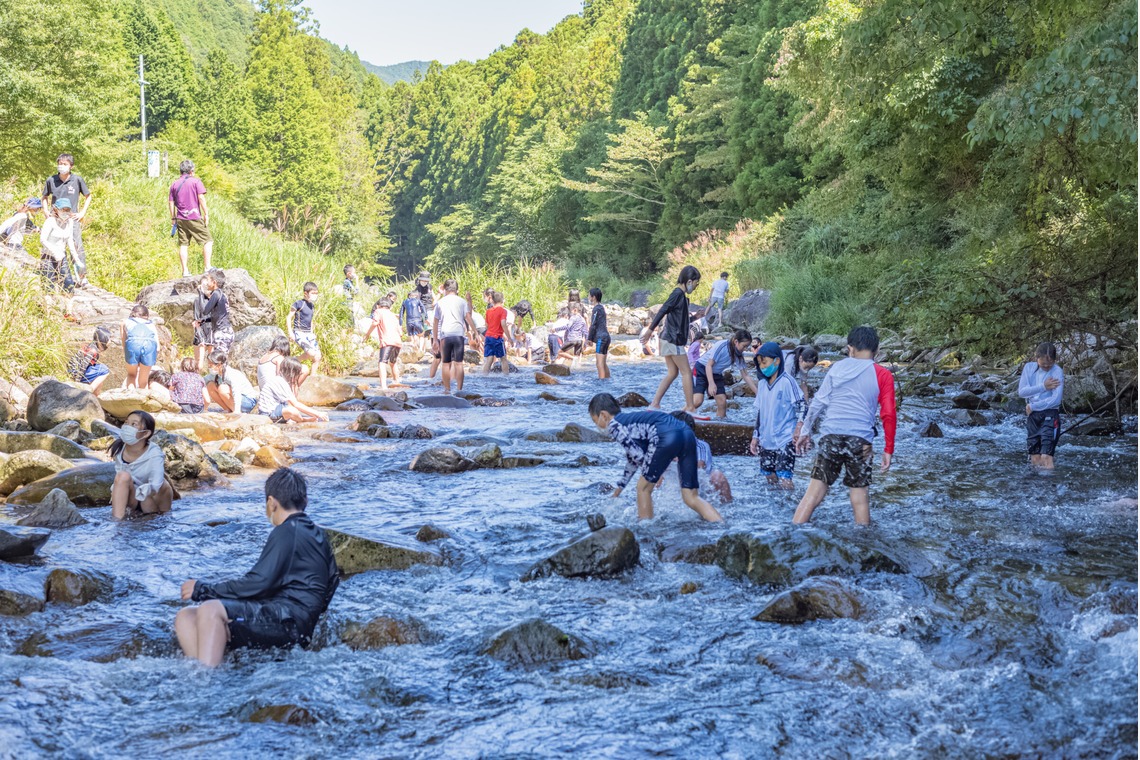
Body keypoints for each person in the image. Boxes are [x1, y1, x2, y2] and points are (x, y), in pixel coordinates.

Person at [175, 468, 339, 668]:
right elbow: (332, 581)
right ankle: (204, 670)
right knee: (187, 616)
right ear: (305, 501)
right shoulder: (318, 534)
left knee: (210, 609)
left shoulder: (287, 531)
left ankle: (206, 680)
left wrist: (203, 590)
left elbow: (259, 582)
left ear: (271, 502)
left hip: (287, 623)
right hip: (292, 621)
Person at [793, 326, 896, 525]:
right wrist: (888, 449)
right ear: (876, 349)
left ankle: (791, 534)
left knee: (813, 494)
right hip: (860, 441)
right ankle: (863, 547)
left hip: (830, 435)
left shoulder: (837, 368)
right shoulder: (882, 374)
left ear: (850, 348)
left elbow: (818, 403)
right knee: (859, 499)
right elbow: (889, 413)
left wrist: (805, 431)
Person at [589, 393, 723, 522]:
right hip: (686, 433)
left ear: (603, 415)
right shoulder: (632, 420)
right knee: (690, 496)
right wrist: (618, 490)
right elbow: (632, 461)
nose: (597, 426)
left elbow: (637, 455)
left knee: (643, 488)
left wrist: (655, 474)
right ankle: (720, 525)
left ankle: (646, 529)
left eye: (595, 421)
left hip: (666, 436)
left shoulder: (615, 426)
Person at [643, 265, 701, 413]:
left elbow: (679, 319)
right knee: (686, 372)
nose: (695, 287)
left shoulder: (681, 296)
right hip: (672, 339)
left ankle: (654, 404)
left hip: (667, 339)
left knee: (672, 372)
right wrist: (650, 330)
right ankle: (690, 407)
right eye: (696, 283)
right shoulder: (677, 294)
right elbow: (663, 310)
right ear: (689, 281)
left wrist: (696, 317)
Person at [749, 342, 806, 490]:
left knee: (785, 477)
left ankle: (793, 507)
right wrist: (756, 436)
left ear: (777, 361)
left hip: (785, 438)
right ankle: (777, 505)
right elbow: (761, 412)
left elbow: (802, 405)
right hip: (767, 438)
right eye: (760, 363)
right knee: (769, 475)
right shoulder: (762, 384)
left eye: (765, 362)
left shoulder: (787, 382)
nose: (762, 366)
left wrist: (799, 427)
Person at [110, 411, 174, 520]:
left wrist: (146, 490)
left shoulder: (154, 453)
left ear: (145, 433)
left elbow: (156, 484)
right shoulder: (119, 449)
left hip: (152, 500)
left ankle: (154, 520)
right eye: (126, 423)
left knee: (162, 484)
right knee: (122, 476)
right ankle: (116, 523)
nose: (127, 427)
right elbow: (122, 481)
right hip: (133, 497)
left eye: (133, 424)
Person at [41, 154, 91, 287]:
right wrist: (46, 211)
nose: (62, 166)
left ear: (71, 166)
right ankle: (52, 273)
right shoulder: (51, 180)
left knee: (76, 246)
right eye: (60, 163)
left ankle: (81, 277)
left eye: (65, 164)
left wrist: (82, 213)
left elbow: (88, 196)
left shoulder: (77, 180)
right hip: (54, 219)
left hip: (71, 219)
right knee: (50, 244)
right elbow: (44, 197)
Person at [1018, 341, 1064, 470]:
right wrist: (1044, 386)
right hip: (1033, 417)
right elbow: (1022, 392)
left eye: (1050, 364)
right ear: (1036, 358)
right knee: (1035, 457)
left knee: (1046, 457)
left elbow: (1056, 400)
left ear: (1055, 360)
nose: (1047, 367)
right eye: (1043, 364)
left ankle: (1049, 488)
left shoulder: (1057, 371)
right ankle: (1037, 487)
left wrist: (1034, 406)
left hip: (1050, 414)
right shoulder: (1029, 368)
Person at [692, 329, 756, 418]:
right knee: (697, 401)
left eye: (747, 346)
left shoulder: (738, 355)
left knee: (722, 403)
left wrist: (758, 393)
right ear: (736, 341)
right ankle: (677, 416)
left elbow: (745, 375)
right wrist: (711, 383)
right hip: (701, 369)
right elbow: (709, 365)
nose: (745, 349)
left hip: (716, 373)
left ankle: (719, 426)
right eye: (744, 346)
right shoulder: (722, 346)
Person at [671, 411, 733, 502]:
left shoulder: (700, 445)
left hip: (702, 489)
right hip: (673, 487)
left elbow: (699, 467)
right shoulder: (664, 445)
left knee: (718, 476)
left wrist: (675, 459)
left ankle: (728, 507)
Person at [169, 160, 212, 276]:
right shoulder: (196, 182)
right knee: (208, 240)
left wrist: (173, 218)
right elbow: (201, 198)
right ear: (192, 171)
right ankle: (207, 267)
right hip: (194, 217)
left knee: (183, 244)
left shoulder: (174, 184)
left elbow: (171, 203)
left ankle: (185, 271)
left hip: (180, 218)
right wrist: (206, 214)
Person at [38, 198, 78, 321]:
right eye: (63, 210)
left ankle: (68, 313)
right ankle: (49, 314)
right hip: (48, 257)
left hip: (62, 257)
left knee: (68, 284)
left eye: (68, 210)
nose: (65, 212)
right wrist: (54, 251)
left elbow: (69, 239)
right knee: (48, 285)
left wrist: (75, 256)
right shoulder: (50, 222)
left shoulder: (69, 222)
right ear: (56, 209)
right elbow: (43, 239)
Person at [432, 279, 474, 395]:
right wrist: (475, 332)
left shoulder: (440, 302)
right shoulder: (462, 302)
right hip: (459, 335)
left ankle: (447, 389)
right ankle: (460, 390)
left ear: (445, 289)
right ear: (457, 290)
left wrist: (435, 340)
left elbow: (435, 322)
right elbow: (468, 318)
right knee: (459, 363)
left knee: (445, 363)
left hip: (445, 335)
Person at [258, 357, 327, 424]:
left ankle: (299, 419)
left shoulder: (282, 380)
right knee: (293, 411)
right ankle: (303, 420)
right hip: (268, 414)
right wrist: (318, 414)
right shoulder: (280, 381)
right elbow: (296, 404)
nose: (298, 376)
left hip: (276, 409)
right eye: (298, 374)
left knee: (291, 408)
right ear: (292, 373)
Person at [192, 270, 232, 372]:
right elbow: (218, 315)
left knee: (218, 362)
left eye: (208, 280)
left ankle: (222, 383)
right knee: (221, 361)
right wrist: (204, 321)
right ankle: (220, 381)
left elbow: (205, 310)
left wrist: (201, 293)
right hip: (226, 331)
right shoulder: (222, 295)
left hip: (221, 332)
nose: (206, 283)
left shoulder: (216, 294)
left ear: (214, 283)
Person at [364, 298, 403, 390]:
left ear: (378, 306)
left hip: (387, 341)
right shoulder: (393, 315)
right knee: (393, 362)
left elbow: (375, 323)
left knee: (382, 363)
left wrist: (367, 334)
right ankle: (396, 382)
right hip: (397, 342)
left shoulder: (378, 311)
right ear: (389, 307)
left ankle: (384, 386)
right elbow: (401, 333)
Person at [121, 304, 159, 390]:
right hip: (150, 346)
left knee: (131, 375)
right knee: (143, 380)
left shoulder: (125, 322)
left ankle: (131, 396)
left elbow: (124, 344)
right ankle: (142, 401)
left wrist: (130, 357)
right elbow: (158, 348)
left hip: (132, 345)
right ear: (146, 315)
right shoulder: (151, 324)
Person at [67, 327, 112, 395]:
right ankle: (89, 391)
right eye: (109, 339)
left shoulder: (92, 346)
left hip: (75, 371)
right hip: (74, 372)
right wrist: (76, 384)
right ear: (102, 340)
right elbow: (82, 367)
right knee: (105, 370)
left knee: (99, 379)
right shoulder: (92, 351)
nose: (110, 341)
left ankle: (95, 398)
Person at [290, 282, 320, 378]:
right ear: (305, 293)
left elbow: (310, 320)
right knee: (310, 353)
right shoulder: (298, 304)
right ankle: (294, 360)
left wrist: (311, 332)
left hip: (308, 333)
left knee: (318, 356)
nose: (315, 295)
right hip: (299, 332)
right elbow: (288, 318)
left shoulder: (312, 305)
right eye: (313, 293)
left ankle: (313, 376)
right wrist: (291, 333)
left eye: (316, 293)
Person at [481, 291, 510, 375]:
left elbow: (486, 325)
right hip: (497, 338)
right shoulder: (503, 311)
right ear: (503, 301)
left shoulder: (488, 311)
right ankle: (507, 377)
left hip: (488, 337)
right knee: (503, 358)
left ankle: (484, 376)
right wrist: (509, 337)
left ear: (492, 301)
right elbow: (503, 323)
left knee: (489, 358)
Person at [588, 288, 611, 380]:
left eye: (589, 295)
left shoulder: (596, 309)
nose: (588, 297)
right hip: (606, 337)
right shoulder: (601, 308)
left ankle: (601, 383)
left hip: (601, 338)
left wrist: (589, 339)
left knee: (599, 363)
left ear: (593, 297)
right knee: (603, 363)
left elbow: (593, 324)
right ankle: (608, 380)